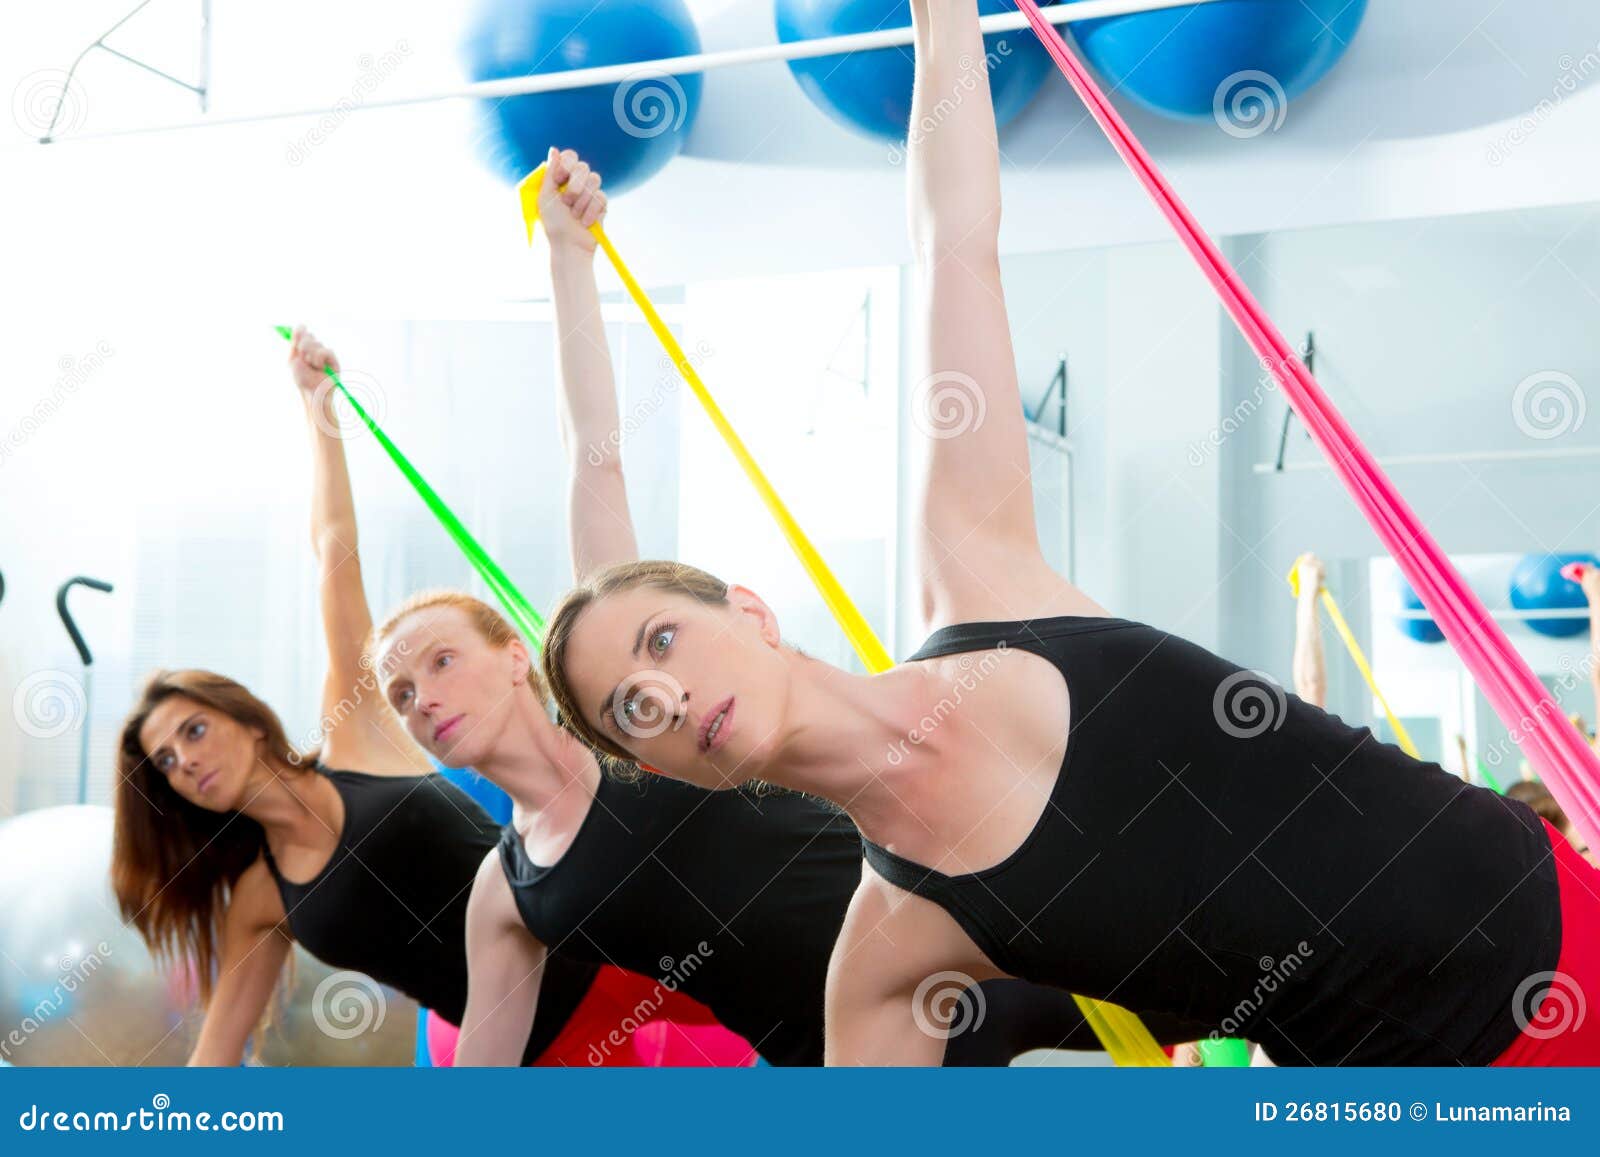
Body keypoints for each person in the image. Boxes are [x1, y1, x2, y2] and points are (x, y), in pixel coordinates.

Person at [536, 0, 1600, 1067]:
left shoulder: (977, 566)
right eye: (630, 711)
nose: (661, 692)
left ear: (749, 609)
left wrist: (942, 22)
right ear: (658, 767)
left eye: (663, 639)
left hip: (1552, 906)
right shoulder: (891, 954)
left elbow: (952, 242)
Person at [371, 149, 1190, 1066]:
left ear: (514, 654)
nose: (420, 699)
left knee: (1236, 1015)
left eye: (437, 660)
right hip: (844, 1053)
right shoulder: (507, 891)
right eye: (398, 695)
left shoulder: (641, 709)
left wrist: (567, 257)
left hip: (978, 950)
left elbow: (593, 458)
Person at [111, 329, 693, 1067]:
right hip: (512, 1050)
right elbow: (216, 1053)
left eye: (192, 731)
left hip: (617, 976)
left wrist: (318, 407)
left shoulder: (355, 736)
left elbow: (334, 554)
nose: (183, 761)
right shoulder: (261, 897)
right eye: (164, 760)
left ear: (248, 721)